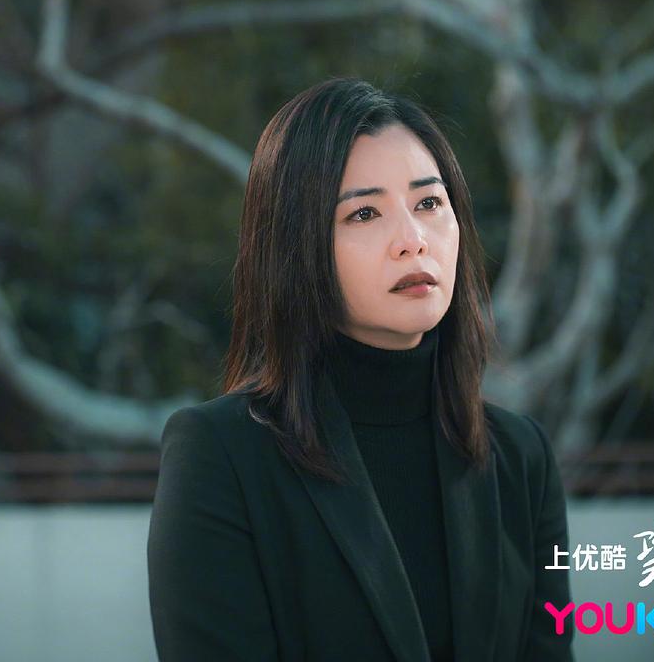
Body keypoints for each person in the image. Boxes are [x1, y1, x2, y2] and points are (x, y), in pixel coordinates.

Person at [147, 78, 574, 662]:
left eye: (429, 204)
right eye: (365, 212)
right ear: (297, 247)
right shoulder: (221, 457)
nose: (412, 240)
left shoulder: (520, 458)